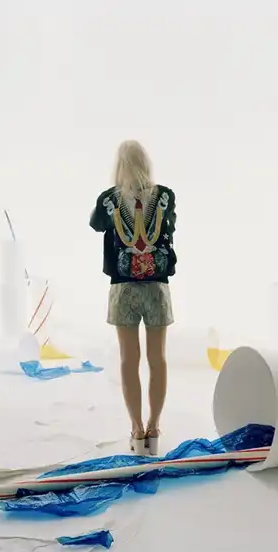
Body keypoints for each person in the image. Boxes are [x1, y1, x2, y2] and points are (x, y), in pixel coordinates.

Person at [89, 140, 177, 456]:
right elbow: (172, 227)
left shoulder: (108, 199)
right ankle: (154, 428)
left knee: (129, 359)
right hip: (156, 287)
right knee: (158, 358)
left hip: (123, 288)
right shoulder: (165, 195)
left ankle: (137, 430)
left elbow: (95, 223)